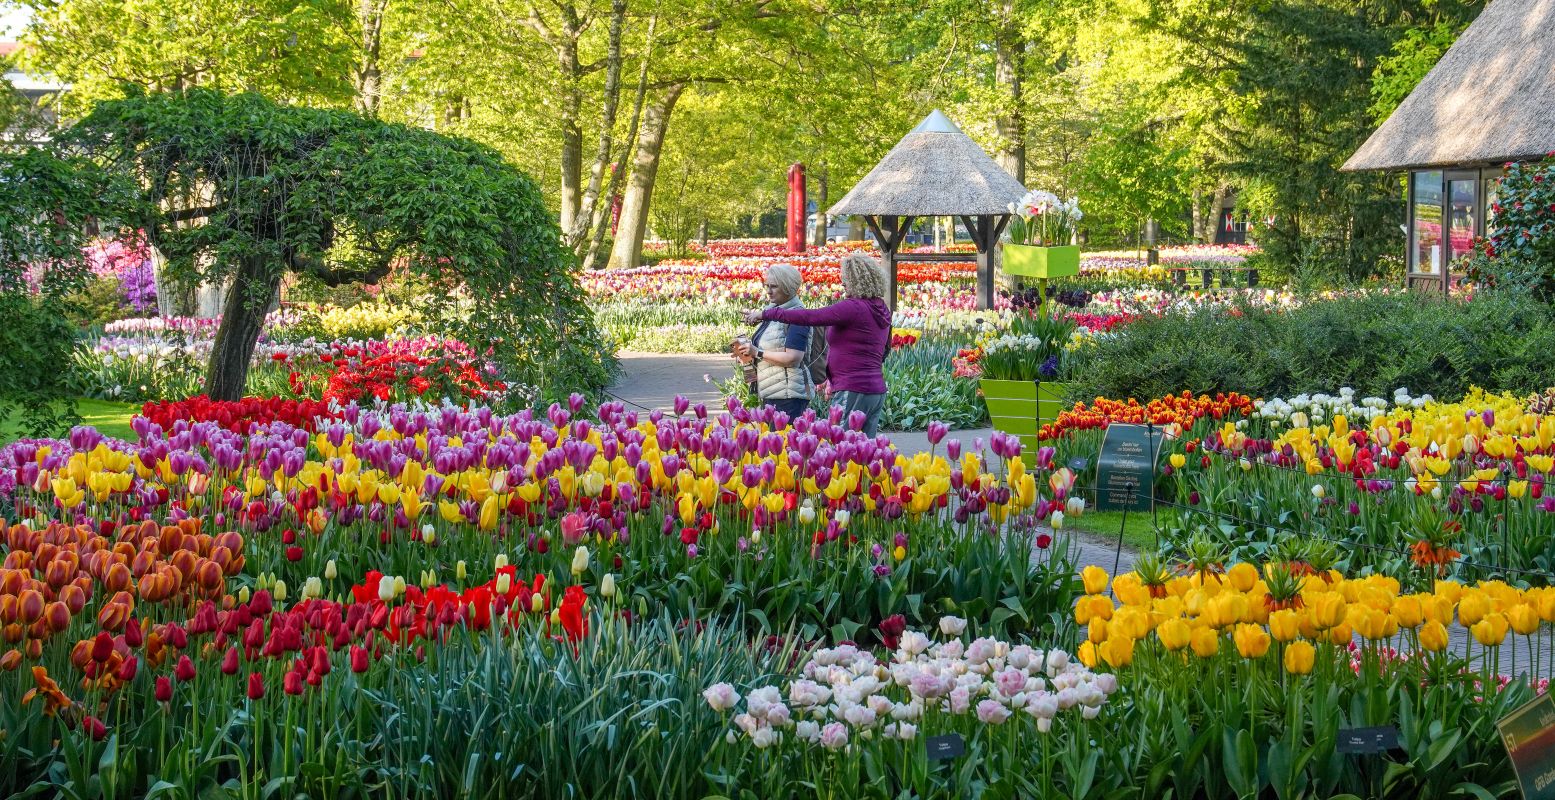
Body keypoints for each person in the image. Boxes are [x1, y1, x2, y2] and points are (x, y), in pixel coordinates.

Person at [744, 254, 890, 437]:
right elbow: (885, 350)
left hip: (853, 387)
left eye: (846, 278)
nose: (842, 283)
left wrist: (765, 314)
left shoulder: (853, 307)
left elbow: (808, 317)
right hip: (875, 389)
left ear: (856, 280)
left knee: (840, 447)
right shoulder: (881, 309)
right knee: (866, 453)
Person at [732, 264, 814, 420]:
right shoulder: (773, 312)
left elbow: (793, 358)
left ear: (788, 287)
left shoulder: (797, 316)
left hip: (789, 395)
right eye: (766, 286)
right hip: (772, 390)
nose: (768, 291)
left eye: (774, 286)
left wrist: (757, 352)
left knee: (783, 442)